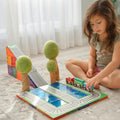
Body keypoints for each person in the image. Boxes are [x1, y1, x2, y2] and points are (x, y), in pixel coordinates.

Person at [65, 0, 120, 89]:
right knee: (69, 62)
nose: (95, 27)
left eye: (99, 22)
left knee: (116, 81)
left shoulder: (117, 36)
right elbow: (92, 55)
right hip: (97, 67)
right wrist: (90, 68)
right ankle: (87, 81)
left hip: (112, 71)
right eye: (92, 24)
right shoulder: (95, 36)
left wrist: (98, 77)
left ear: (108, 19)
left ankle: (95, 79)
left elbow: (115, 62)